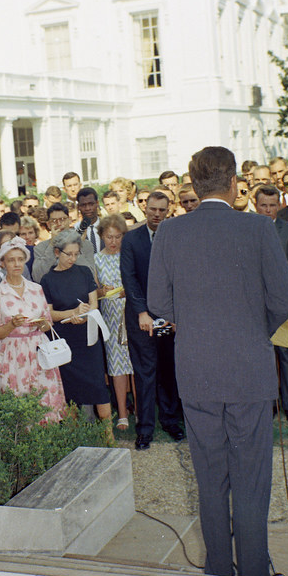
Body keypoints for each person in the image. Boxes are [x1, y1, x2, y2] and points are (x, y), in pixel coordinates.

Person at [147, 146, 288, 576]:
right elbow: (285, 300)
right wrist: (253, 328)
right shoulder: (258, 227)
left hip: (196, 370)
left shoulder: (170, 233)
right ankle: (253, 570)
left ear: (192, 186)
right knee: (251, 476)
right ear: (234, 184)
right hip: (248, 369)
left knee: (210, 477)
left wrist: (194, 319)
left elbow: (158, 302)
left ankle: (217, 568)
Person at [120, 190, 186, 449]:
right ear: (144, 208)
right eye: (153, 209)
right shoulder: (131, 239)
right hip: (142, 318)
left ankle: (171, 422)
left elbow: (180, 278)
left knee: (169, 372)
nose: (157, 214)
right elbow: (129, 277)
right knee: (145, 374)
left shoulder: (176, 237)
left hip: (170, 318)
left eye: (162, 210)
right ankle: (145, 429)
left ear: (168, 209)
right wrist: (142, 312)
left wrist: (174, 315)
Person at [40, 230, 113, 440]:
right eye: (68, 254)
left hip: (88, 338)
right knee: (70, 390)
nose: (72, 259)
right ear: (56, 252)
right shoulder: (47, 280)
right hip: (65, 341)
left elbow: (94, 303)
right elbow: (50, 313)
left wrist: (85, 315)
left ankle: (109, 437)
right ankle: (76, 438)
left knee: (99, 386)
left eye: (75, 254)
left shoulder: (84, 272)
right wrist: (71, 314)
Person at [0, 238, 66, 423]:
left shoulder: (36, 289)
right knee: (17, 402)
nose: (16, 264)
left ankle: (48, 442)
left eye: (20, 259)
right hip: (12, 354)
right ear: (3, 263)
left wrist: (41, 324)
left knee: (46, 401)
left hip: (39, 349)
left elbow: (48, 322)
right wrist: (12, 324)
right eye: (11, 259)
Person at [254, 185, 288, 421]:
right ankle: (269, 404)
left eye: (272, 205)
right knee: (263, 359)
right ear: (256, 206)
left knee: (287, 358)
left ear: (279, 206)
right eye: (263, 205)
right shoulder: (248, 230)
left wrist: (275, 296)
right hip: (257, 310)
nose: (268, 210)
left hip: (284, 309)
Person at [94, 213, 133, 431]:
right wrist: (101, 292)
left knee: (135, 365)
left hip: (130, 315)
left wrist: (126, 292)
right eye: (109, 237)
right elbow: (95, 293)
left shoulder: (128, 255)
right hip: (110, 319)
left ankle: (139, 407)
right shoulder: (97, 259)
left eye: (117, 237)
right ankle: (123, 413)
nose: (113, 241)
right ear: (101, 236)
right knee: (116, 366)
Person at [32, 203, 95, 281]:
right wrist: (52, 244)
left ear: (69, 220)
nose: (59, 224)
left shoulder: (86, 245)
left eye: (62, 219)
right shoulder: (40, 247)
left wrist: (77, 246)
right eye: (54, 221)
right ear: (48, 224)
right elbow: (38, 277)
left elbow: (91, 275)